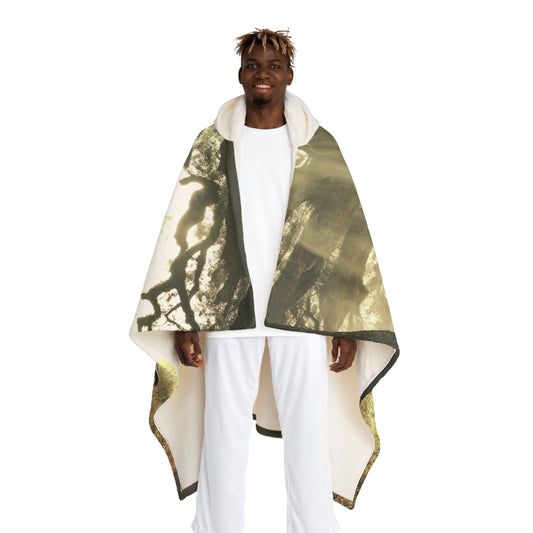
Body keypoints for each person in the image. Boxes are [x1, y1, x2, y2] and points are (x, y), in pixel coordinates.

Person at [130, 28, 399, 533]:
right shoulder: (213, 144)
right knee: (222, 432)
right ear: (240, 73)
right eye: (253, 65)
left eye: (273, 66)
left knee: (309, 433)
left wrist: (343, 321)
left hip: (302, 311)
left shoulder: (318, 145)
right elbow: (186, 230)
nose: (262, 74)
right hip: (227, 309)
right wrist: (185, 320)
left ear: (289, 75)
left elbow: (341, 236)